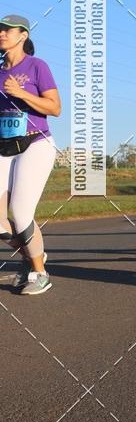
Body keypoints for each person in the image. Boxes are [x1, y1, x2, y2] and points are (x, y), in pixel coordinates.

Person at [0, 15, 61, 295]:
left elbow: (54, 108)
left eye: (6, 30)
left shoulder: (37, 66)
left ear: (22, 35)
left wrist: (22, 94)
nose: (1, 34)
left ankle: (39, 272)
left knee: (22, 214)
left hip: (35, 143)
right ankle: (30, 250)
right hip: (4, 146)